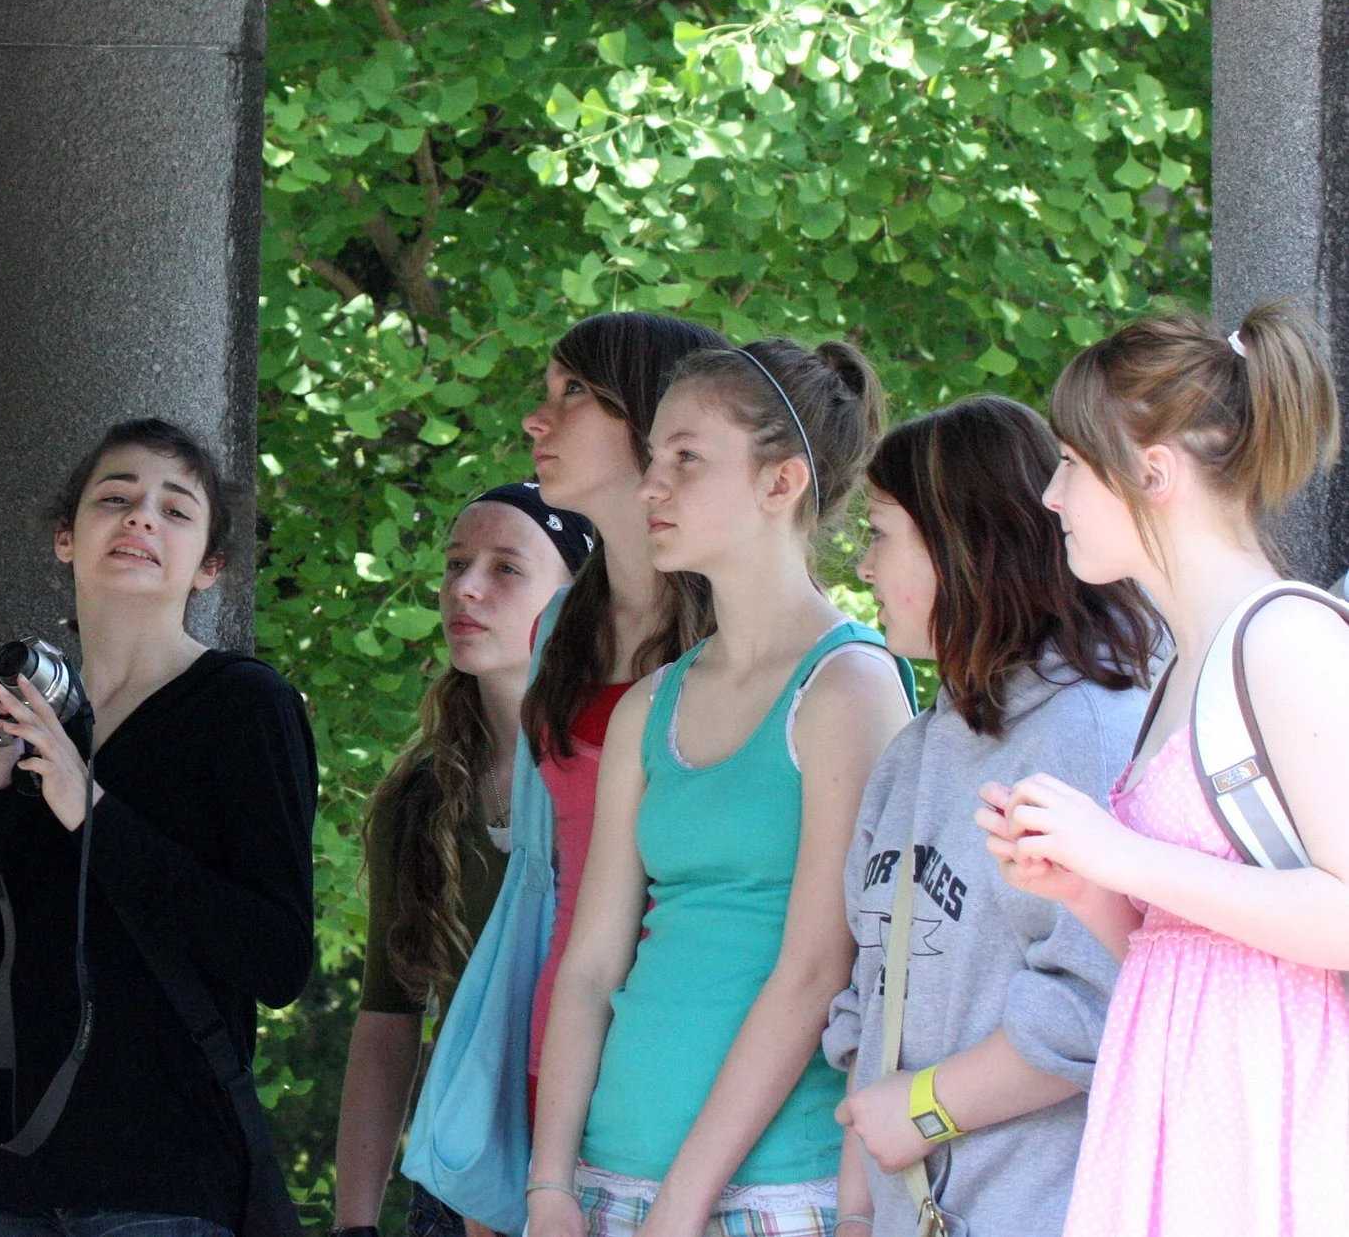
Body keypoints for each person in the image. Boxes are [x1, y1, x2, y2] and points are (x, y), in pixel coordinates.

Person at [528, 339, 915, 1237]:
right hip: (606, 1180)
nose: (650, 485)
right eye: (654, 457)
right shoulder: (650, 706)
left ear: (781, 484)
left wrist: (683, 1205)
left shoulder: (851, 686)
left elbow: (821, 969)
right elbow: (589, 970)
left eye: (686, 459)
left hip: (771, 1191)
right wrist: (549, 1186)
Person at [979, 304, 1349, 1236]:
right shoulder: (1186, 662)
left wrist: (1123, 857)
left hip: (1275, 1124)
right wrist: (1085, 885)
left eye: (1070, 462)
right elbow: (1183, 946)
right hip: (1182, 1111)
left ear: (1154, 471)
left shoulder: (1289, 638)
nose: (1052, 495)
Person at [0, 417, 318, 1237]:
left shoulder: (245, 707)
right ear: (67, 537)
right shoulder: (21, 717)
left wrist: (91, 810)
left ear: (210, 566)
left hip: (164, 1180)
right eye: (116, 497)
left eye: (176, 510)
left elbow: (276, 959)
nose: (141, 518)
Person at [824, 397, 1156, 1235]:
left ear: (965, 544)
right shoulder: (911, 751)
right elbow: (873, 991)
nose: (863, 566)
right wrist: (860, 1214)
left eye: (881, 532)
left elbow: (1107, 993)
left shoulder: (1087, 732)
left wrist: (929, 1108)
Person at [332, 482, 592, 1237]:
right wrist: (353, 1225)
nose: (464, 589)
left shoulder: (626, 766)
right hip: (463, 1173)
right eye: (454, 564)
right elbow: (387, 1017)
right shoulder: (419, 794)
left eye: (506, 568)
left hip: (601, 1172)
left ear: (576, 598)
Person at [515, 313, 726, 1099]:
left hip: (696, 1064)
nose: (540, 418)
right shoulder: (556, 630)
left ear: (654, 413)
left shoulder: (765, 635)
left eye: (575, 392)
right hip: (553, 1047)